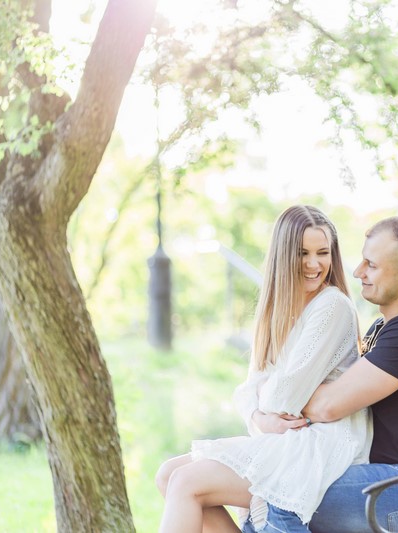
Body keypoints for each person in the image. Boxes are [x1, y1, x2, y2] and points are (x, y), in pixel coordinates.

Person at [245, 216, 398, 533]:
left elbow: (328, 406)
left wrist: (276, 389)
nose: (357, 272)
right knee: (264, 497)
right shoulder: (383, 329)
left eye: (371, 265)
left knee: (285, 488)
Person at [155, 205, 372, 532]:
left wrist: (264, 400)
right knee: (168, 475)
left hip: (321, 444)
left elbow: (282, 395)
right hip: (287, 439)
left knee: (185, 482)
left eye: (322, 253)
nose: (314, 264)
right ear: (284, 256)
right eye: (303, 253)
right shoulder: (278, 312)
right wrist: (259, 416)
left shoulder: (333, 306)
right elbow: (248, 391)